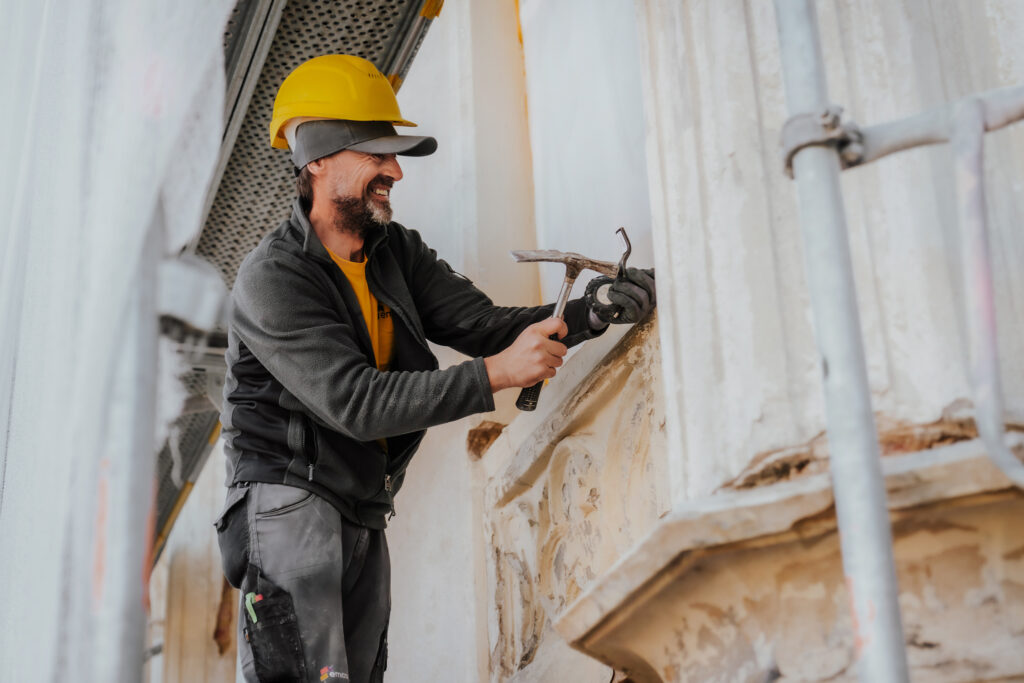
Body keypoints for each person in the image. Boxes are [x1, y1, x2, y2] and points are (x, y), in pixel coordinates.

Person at [214, 54, 656, 683]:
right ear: (316, 158)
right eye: (376, 153)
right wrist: (498, 375)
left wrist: (593, 310)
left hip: (362, 506)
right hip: (287, 502)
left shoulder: (396, 251)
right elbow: (356, 404)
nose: (395, 170)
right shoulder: (273, 278)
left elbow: (484, 327)